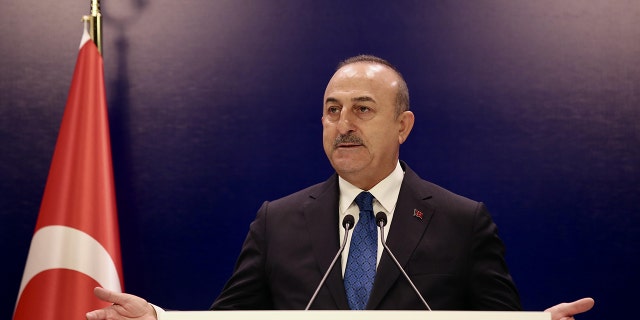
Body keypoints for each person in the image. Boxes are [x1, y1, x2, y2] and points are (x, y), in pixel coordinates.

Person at [86, 55, 594, 319]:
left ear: (403, 126)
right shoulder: (277, 221)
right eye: (333, 110)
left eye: (363, 109)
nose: (343, 123)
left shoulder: (463, 221)